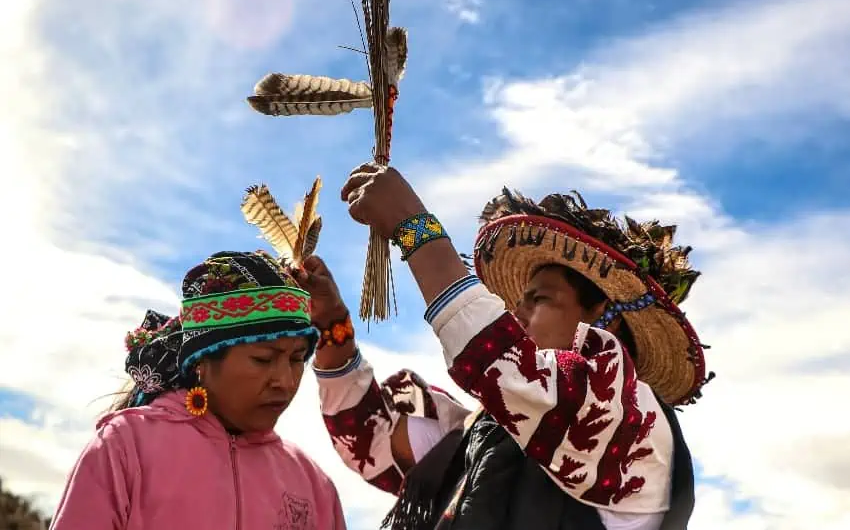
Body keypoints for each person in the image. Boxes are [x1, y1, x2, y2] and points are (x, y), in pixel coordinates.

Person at [298, 164, 711, 530]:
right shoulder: (479, 432)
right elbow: (371, 440)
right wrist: (333, 326)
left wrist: (414, 226)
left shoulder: (633, 421)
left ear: (605, 317)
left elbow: (506, 365)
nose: (517, 314)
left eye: (541, 299)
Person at [50, 250, 346, 530]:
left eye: (297, 359)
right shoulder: (126, 448)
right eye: (263, 359)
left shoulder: (312, 485)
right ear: (203, 360)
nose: (285, 380)